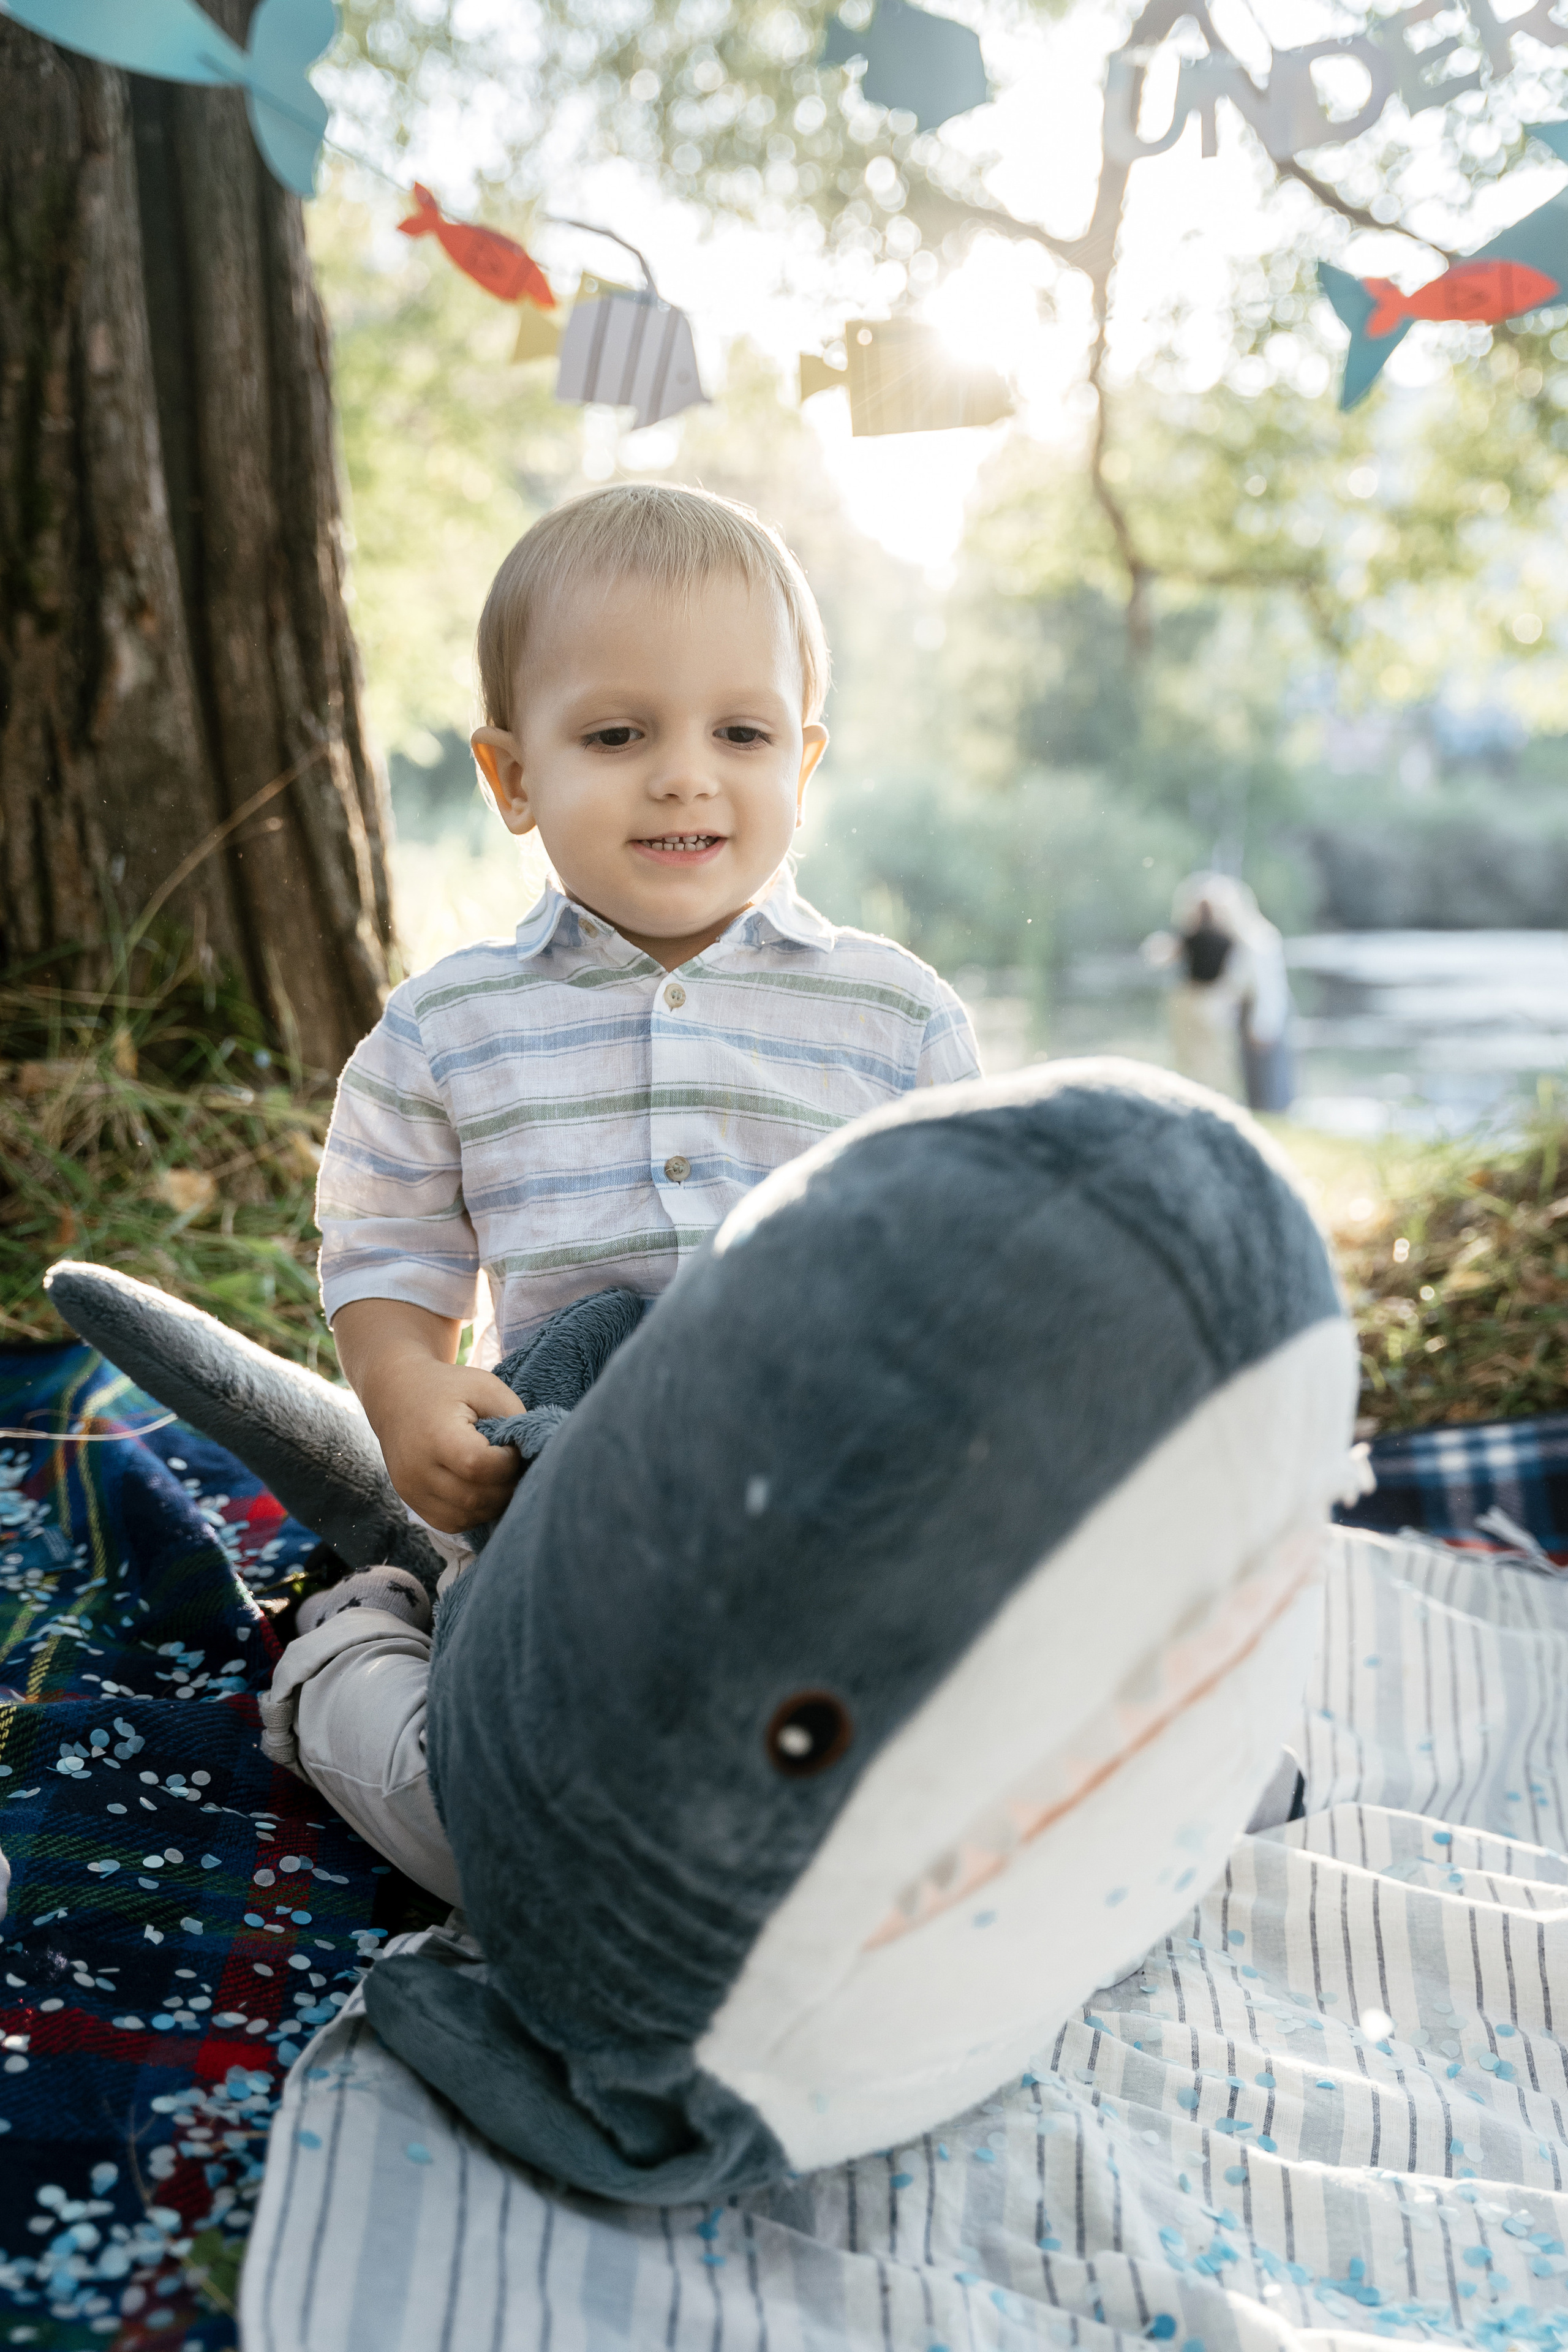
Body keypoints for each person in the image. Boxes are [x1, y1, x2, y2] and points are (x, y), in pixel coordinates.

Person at [259, 484, 982, 1890]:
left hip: (821, 1525)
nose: (683, 776)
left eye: (741, 733)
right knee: (497, 1845)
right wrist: (407, 1394)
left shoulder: (892, 1017)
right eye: (614, 734)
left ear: (803, 760)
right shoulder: (446, 1028)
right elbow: (387, 1248)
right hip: (559, 1539)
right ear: (511, 773)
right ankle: (349, 1656)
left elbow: (967, 1268)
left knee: (926, 1773)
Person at [1143, 872, 1294, 1114]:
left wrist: (1262, 1024)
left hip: (1243, 1014)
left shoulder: (1254, 940)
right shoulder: (1195, 936)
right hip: (1220, 1012)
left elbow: (1265, 988)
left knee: (1258, 1076)